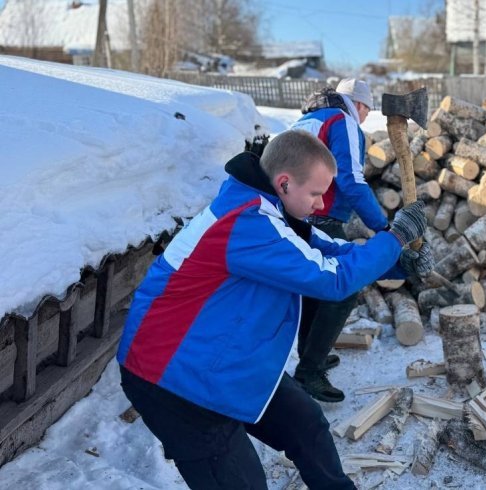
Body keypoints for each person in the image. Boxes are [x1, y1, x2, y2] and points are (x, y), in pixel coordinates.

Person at [117, 130, 433, 489]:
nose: (320, 204)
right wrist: (394, 238)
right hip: (174, 379)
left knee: (306, 426)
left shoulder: (271, 210)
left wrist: (398, 262)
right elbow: (331, 279)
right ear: (284, 183)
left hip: (222, 359)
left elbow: (331, 251)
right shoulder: (246, 223)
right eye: (315, 193)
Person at [287, 78, 387, 403]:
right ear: (357, 104)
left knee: (313, 291)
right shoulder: (342, 120)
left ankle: (309, 353)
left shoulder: (310, 117)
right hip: (321, 218)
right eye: (367, 111)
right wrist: (382, 226)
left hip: (295, 216)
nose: (364, 118)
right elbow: (351, 178)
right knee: (343, 288)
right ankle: (309, 372)